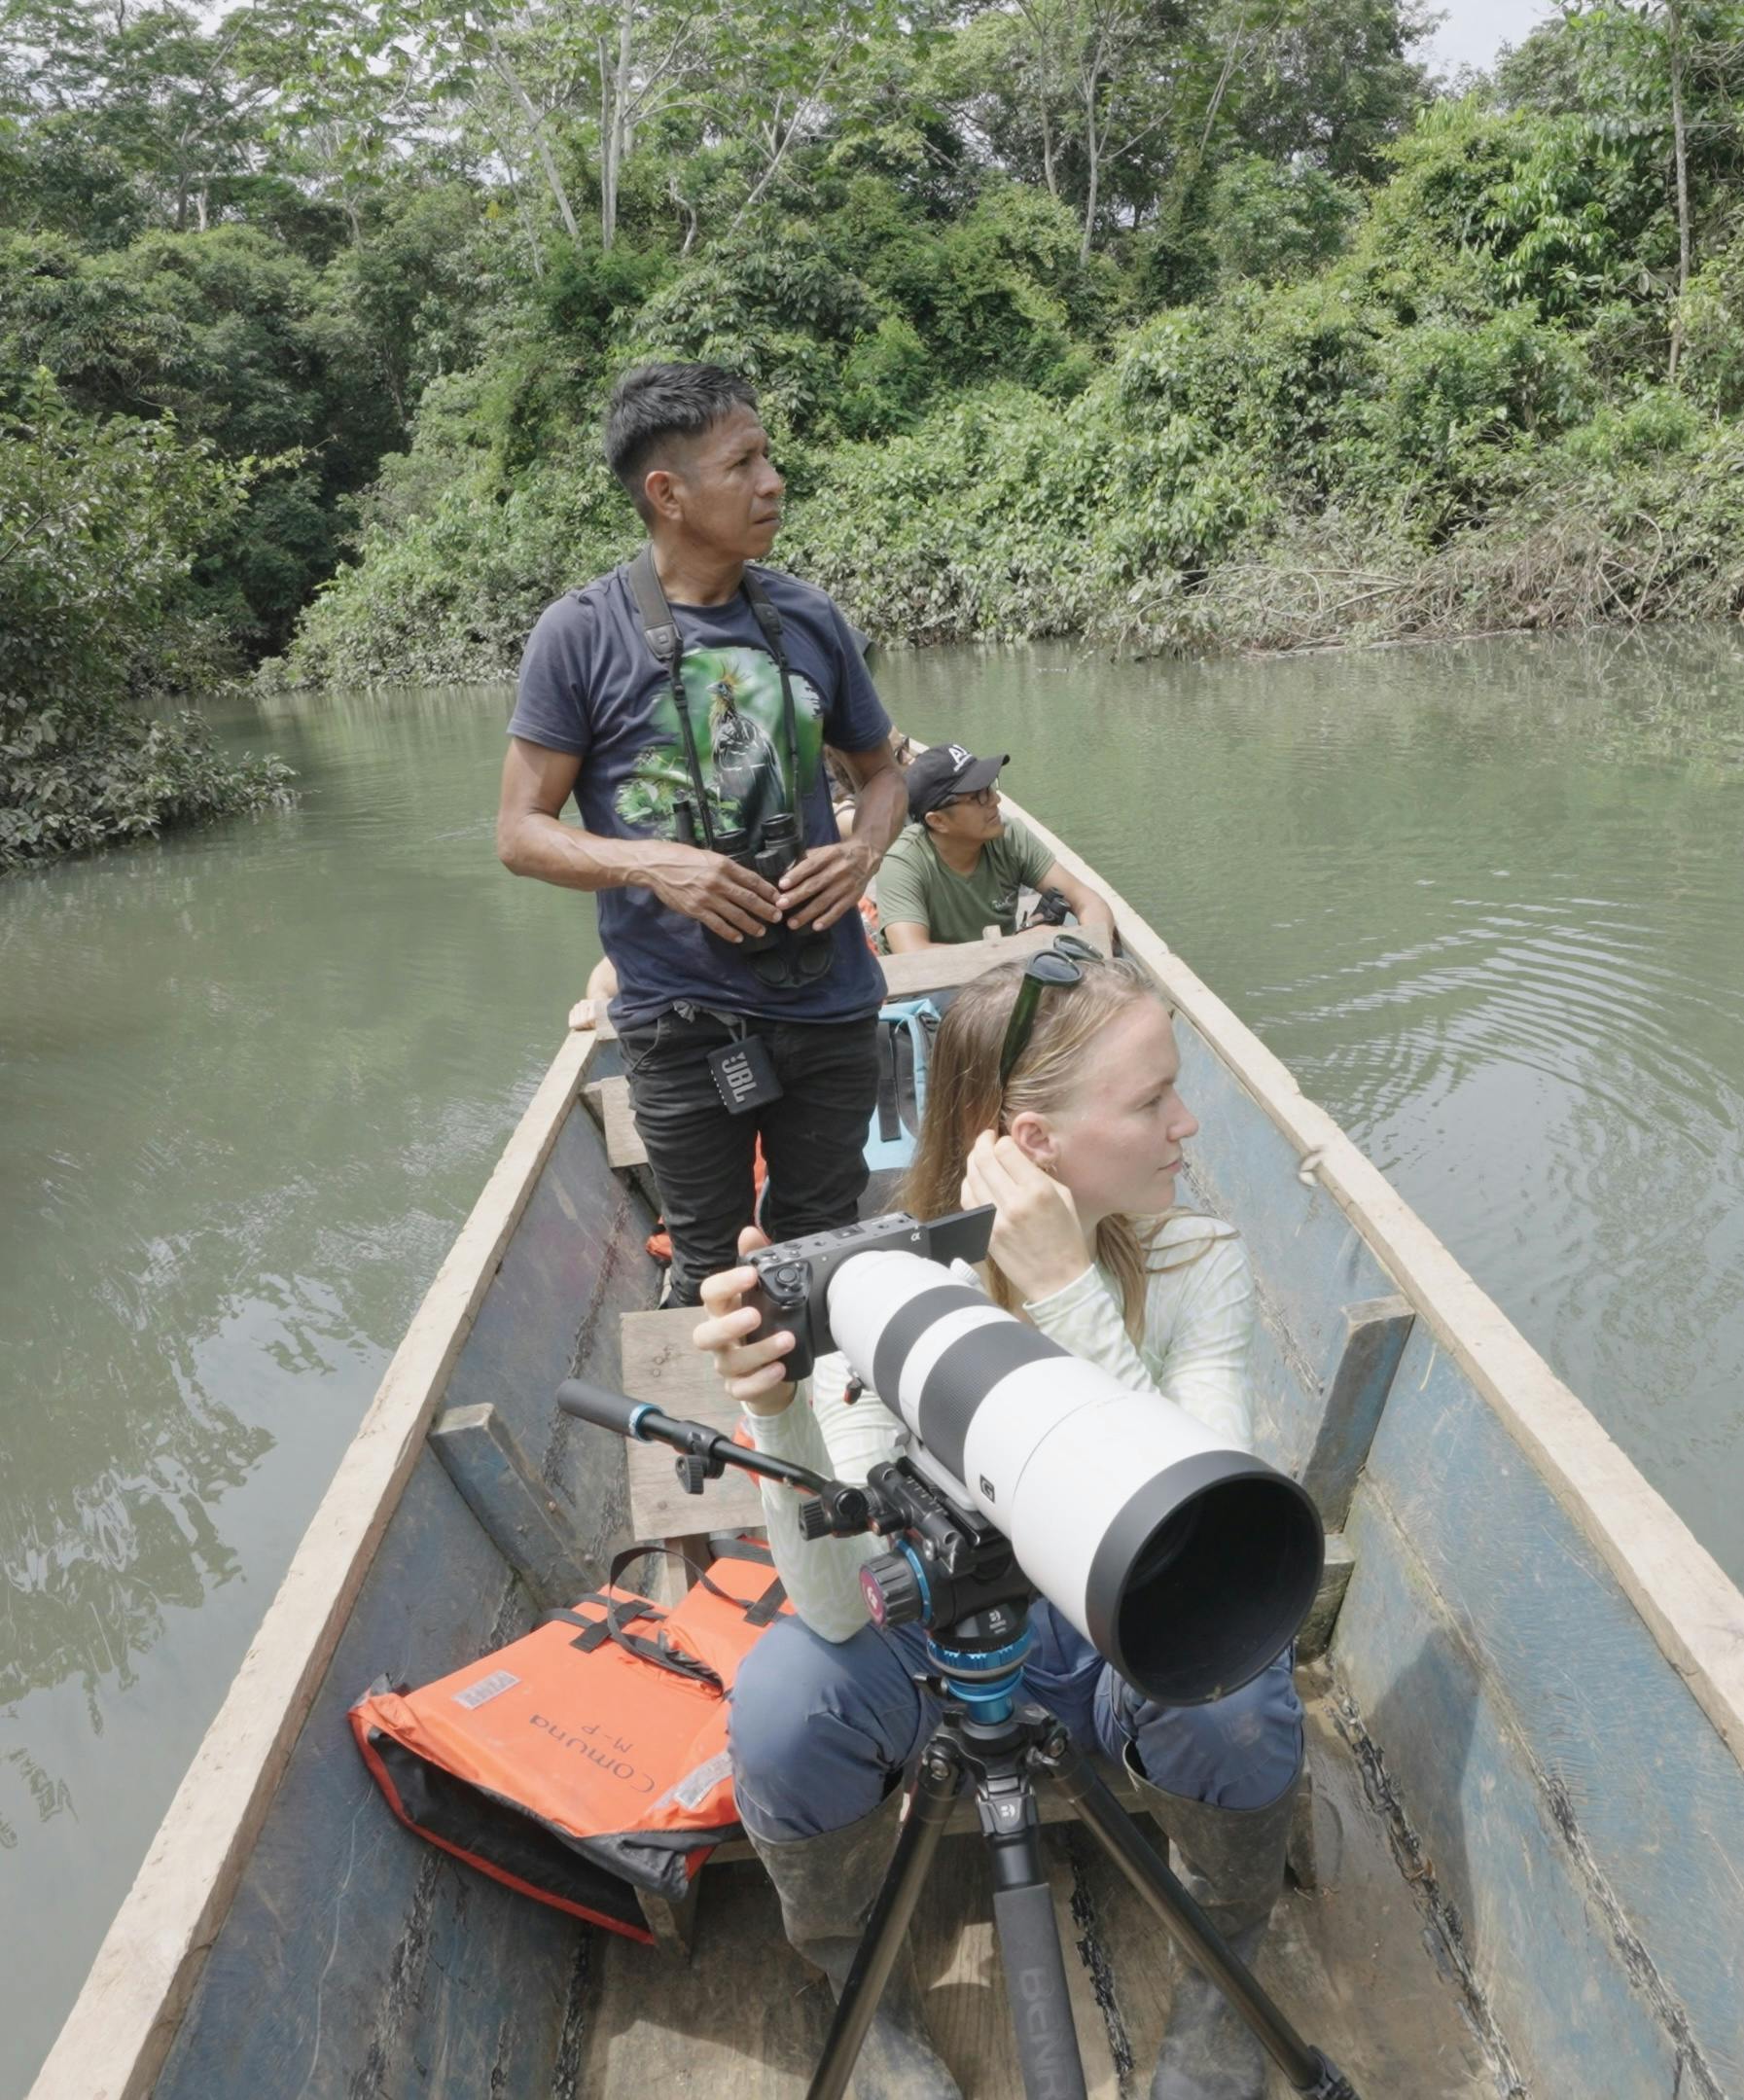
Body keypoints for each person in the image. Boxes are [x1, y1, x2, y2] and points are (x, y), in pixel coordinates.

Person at [694, 953, 1303, 2100]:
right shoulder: (882, 1290)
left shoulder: (1191, 1263)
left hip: (1126, 1622)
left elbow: (1211, 1539)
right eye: (1148, 1099)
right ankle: (849, 1975)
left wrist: (1071, 1290)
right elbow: (835, 1604)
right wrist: (772, 1407)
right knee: (782, 1706)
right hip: (939, 1631)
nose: (1186, 1124)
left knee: (1237, 1700)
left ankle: (1228, 1973)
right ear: (1030, 1140)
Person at [497, 363, 908, 1303]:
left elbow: (882, 770)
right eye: (744, 463)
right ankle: (719, 1439)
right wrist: (651, 865)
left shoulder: (807, 616)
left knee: (823, 1261)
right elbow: (520, 832)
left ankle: (814, 1430)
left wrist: (864, 850)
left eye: (768, 457)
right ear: (667, 494)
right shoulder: (579, 634)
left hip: (830, 1000)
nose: (773, 482)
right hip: (680, 1020)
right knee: (713, 1274)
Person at [875, 742, 1116, 954]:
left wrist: (1094, 953)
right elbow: (914, 955)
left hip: (1002, 974)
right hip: (929, 993)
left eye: (990, 788)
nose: (995, 801)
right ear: (937, 821)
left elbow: (1088, 901)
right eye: (978, 797)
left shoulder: (1008, 836)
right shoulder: (902, 864)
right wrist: (1018, 947)